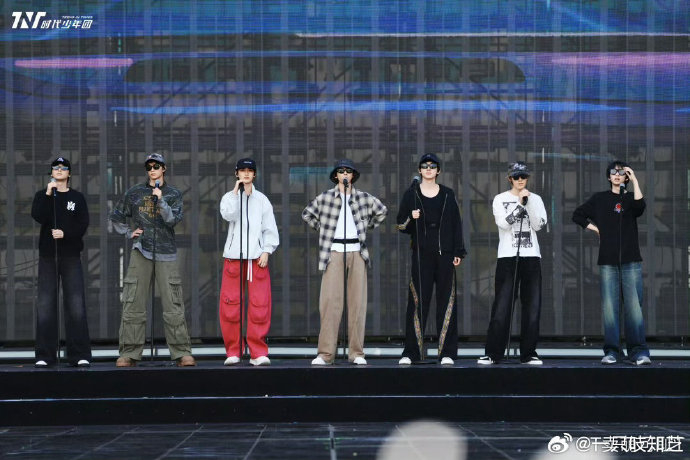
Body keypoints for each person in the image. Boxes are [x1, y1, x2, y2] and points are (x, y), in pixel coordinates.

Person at [110, 153, 195, 367]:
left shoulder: (173, 193)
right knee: (133, 301)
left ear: (164, 168)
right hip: (141, 250)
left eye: (156, 166)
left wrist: (160, 199)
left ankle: (182, 351)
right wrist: (129, 232)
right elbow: (116, 216)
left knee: (173, 302)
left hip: (166, 251)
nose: (152, 170)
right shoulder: (135, 192)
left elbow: (172, 220)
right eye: (149, 167)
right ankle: (129, 352)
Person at [302, 159, 387, 365]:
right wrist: (323, 229)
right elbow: (307, 214)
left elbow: (382, 211)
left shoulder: (363, 198)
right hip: (334, 251)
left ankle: (356, 353)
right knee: (330, 302)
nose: (345, 174)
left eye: (348, 171)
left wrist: (367, 226)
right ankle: (325, 354)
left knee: (358, 304)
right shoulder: (325, 197)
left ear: (353, 175)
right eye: (341, 171)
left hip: (357, 251)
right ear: (336, 176)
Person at [572, 160, 651, 365]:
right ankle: (613, 351)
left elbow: (641, 207)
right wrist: (595, 229)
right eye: (613, 172)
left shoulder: (630, 198)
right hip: (608, 261)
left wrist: (635, 180)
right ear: (609, 177)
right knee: (610, 308)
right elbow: (577, 215)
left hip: (631, 260)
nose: (617, 175)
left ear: (625, 177)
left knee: (634, 308)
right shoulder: (600, 199)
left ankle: (639, 352)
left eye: (621, 172)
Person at [396, 154, 466, 366]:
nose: (428, 168)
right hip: (421, 254)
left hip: (445, 254)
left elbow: (456, 223)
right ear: (419, 170)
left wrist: (458, 251)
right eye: (424, 166)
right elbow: (400, 224)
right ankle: (412, 352)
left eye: (432, 166)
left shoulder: (447, 194)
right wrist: (412, 218)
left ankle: (447, 353)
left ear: (438, 171)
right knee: (417, 302)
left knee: (447, 302)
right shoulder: (411, 194)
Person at [478, 161, 547, 365]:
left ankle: (529, 353)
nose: (520, 180)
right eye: (516, 177)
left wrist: (528, 203)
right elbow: (503, 223)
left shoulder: (536, 199)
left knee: (532, 306)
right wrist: (519, 205)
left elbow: (538, 225)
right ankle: (493, 353)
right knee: (502, 305)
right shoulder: (500, 199)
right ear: (510, 179)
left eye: (523, 176)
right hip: (508, 257)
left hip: (531, 256)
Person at [31, 156, 92, 368]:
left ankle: (79, 354)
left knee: (75, 305)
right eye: (55, 167)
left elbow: (83, 224)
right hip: (48, 256)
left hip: (71, 256)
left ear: (69, 173)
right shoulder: (43, 195)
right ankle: (45, 355)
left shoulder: (77, 197)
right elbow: (38, 216)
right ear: (51, 173)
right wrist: (49, 194)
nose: (59, 170)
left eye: (63, 167)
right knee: (46, 305)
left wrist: (65, 233)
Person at [219, 158, 279, 366]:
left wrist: (267, 250)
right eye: (242, 170)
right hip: (233, 258)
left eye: (250, 170)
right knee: (230, 305)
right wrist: (236, 194)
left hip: (256, 258)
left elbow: (270, 228)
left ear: (255, 174)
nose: (246, 173)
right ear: (236, 174)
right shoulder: (229, 197)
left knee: (259, 304)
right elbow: (228, 215)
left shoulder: (262, 200)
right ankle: (233, 351)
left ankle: (258, 352)